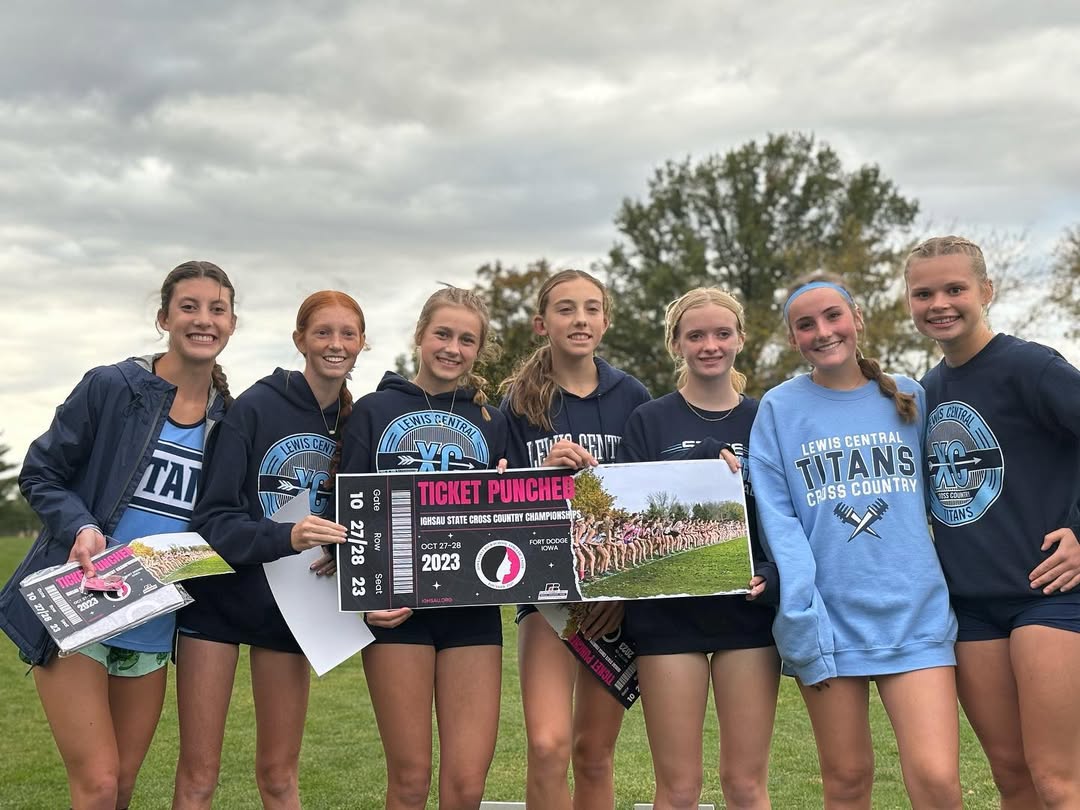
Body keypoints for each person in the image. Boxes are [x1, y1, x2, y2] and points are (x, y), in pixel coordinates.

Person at [0, 261, 236, 810]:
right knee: (99, 783)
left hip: (151, 620)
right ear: (164, 318)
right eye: (189, 307)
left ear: (231, 324)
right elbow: (41, 472)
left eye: (217, 309)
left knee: (122, 787)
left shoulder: (230, 419)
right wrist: (82, 527)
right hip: (79, 605)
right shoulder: (113, 387)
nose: (203, 320)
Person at [750, 274, 961, 809]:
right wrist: (801, 614)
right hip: (827, 622)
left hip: (915, 614)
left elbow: (951, 495)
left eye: (833, 316)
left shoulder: (910, 395)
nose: (823, 332)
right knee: (846, 780)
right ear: (793, 338)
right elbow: (779, 523)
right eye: (806, 325)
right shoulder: (779, 409)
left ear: (857, 318)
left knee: (937, 779)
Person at [906, 236, 1080, 809]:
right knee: (1012, 778)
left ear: (986, 291)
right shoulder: (926, 393)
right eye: (924, 293)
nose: (939, 303)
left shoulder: (1031, 367)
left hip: (1048, 596)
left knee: (1057, 780)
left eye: (955, 288)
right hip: (973, 609)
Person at [173, 290, 365, 810]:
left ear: (361, 344)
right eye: (322, 332)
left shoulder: (357, 422)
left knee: (279, 778)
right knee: (199, 778)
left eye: (347, 334)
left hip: (291, 613)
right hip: (218, 605)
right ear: (299, 339)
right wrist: (286, 537)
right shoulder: (256, 407)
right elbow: (211, 522)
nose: (335, 344)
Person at [338, 287, 508, 810]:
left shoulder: (492, 420)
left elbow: (511, 516)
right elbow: (349, 508)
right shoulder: (373, 411)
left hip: (471, 611)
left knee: (467, 786)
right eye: (443, 334)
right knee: (410, 783)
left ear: (479, 349)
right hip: (397, 614)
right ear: (420, 335)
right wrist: (368, 594)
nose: (453, 348)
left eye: (466, 340)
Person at [616, 288, 778, 810]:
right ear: (676, 344)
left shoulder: (767, 416)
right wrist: (700, 466)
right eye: (696, 335)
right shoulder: (649, 420)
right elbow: (634, 518)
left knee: (746, 786)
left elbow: (787, 513)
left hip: (747, 614)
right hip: (669, 617)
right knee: (679, 789)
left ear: (740, 339)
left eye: (722, 333)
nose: (710, 345)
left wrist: (773, 572)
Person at [499, 268, 649, 810]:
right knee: (547, 746)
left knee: (593, 754)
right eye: (565, 308)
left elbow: (646, 499)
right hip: (546, 596)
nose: (579, 319)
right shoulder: (517, 402)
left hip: (612, 597)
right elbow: (498, 506)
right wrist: (540, 473)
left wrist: (621, 592)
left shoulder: (632, 395)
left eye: (591, 308)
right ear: (542, 323)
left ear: (605, 321)